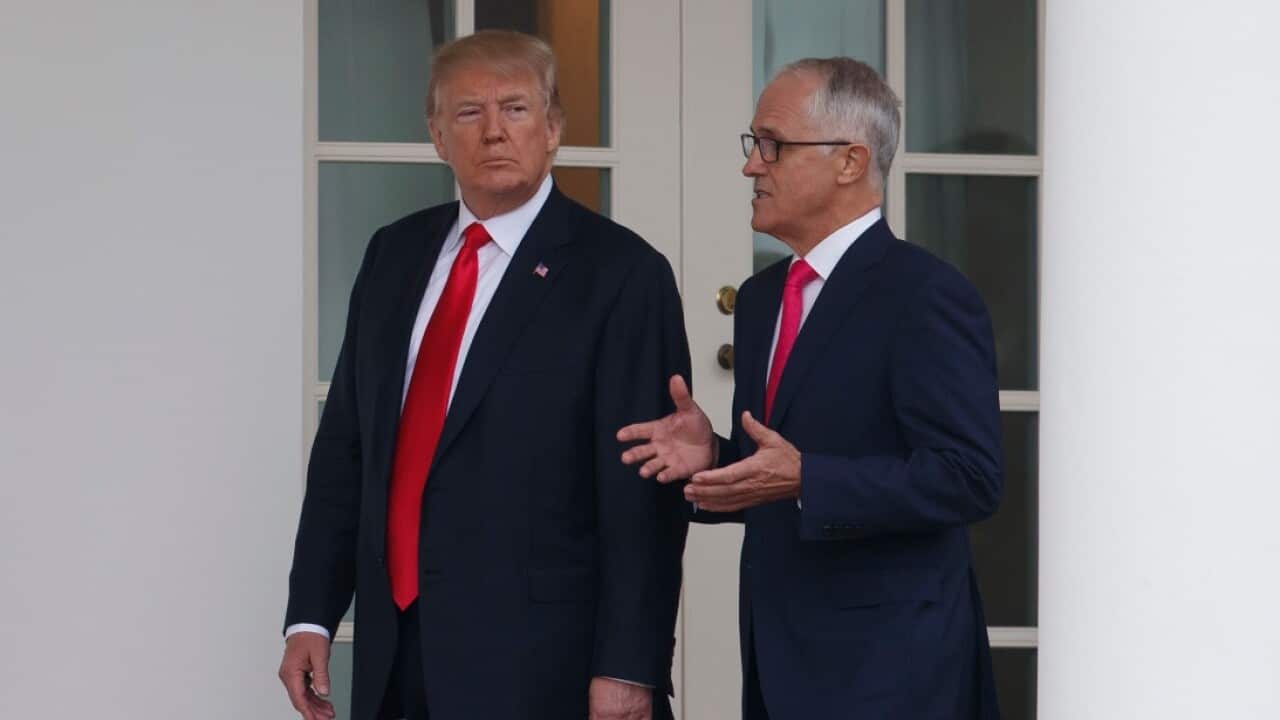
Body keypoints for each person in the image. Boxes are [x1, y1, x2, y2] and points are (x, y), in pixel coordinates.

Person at [280, 30, 690, 720]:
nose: (494, 132)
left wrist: (629, 665)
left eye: (517, 109)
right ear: (437, 135)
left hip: (541, 665)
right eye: (469, 113)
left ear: (554, 128)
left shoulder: (622, 275)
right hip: (396, 653)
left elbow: (640, 496)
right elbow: (347, 448)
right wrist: (311, 617)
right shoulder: (393, 254)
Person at [618, 57, 1003, 719]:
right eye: (753, 145)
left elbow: (968, 477)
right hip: (779, 654)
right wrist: (713, 458)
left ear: (850, 161)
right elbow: (774, 469)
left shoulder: (926, 295)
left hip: (893, 671)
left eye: (772, 145)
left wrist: (809, 480)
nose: (751, 166)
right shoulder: (764, 296)